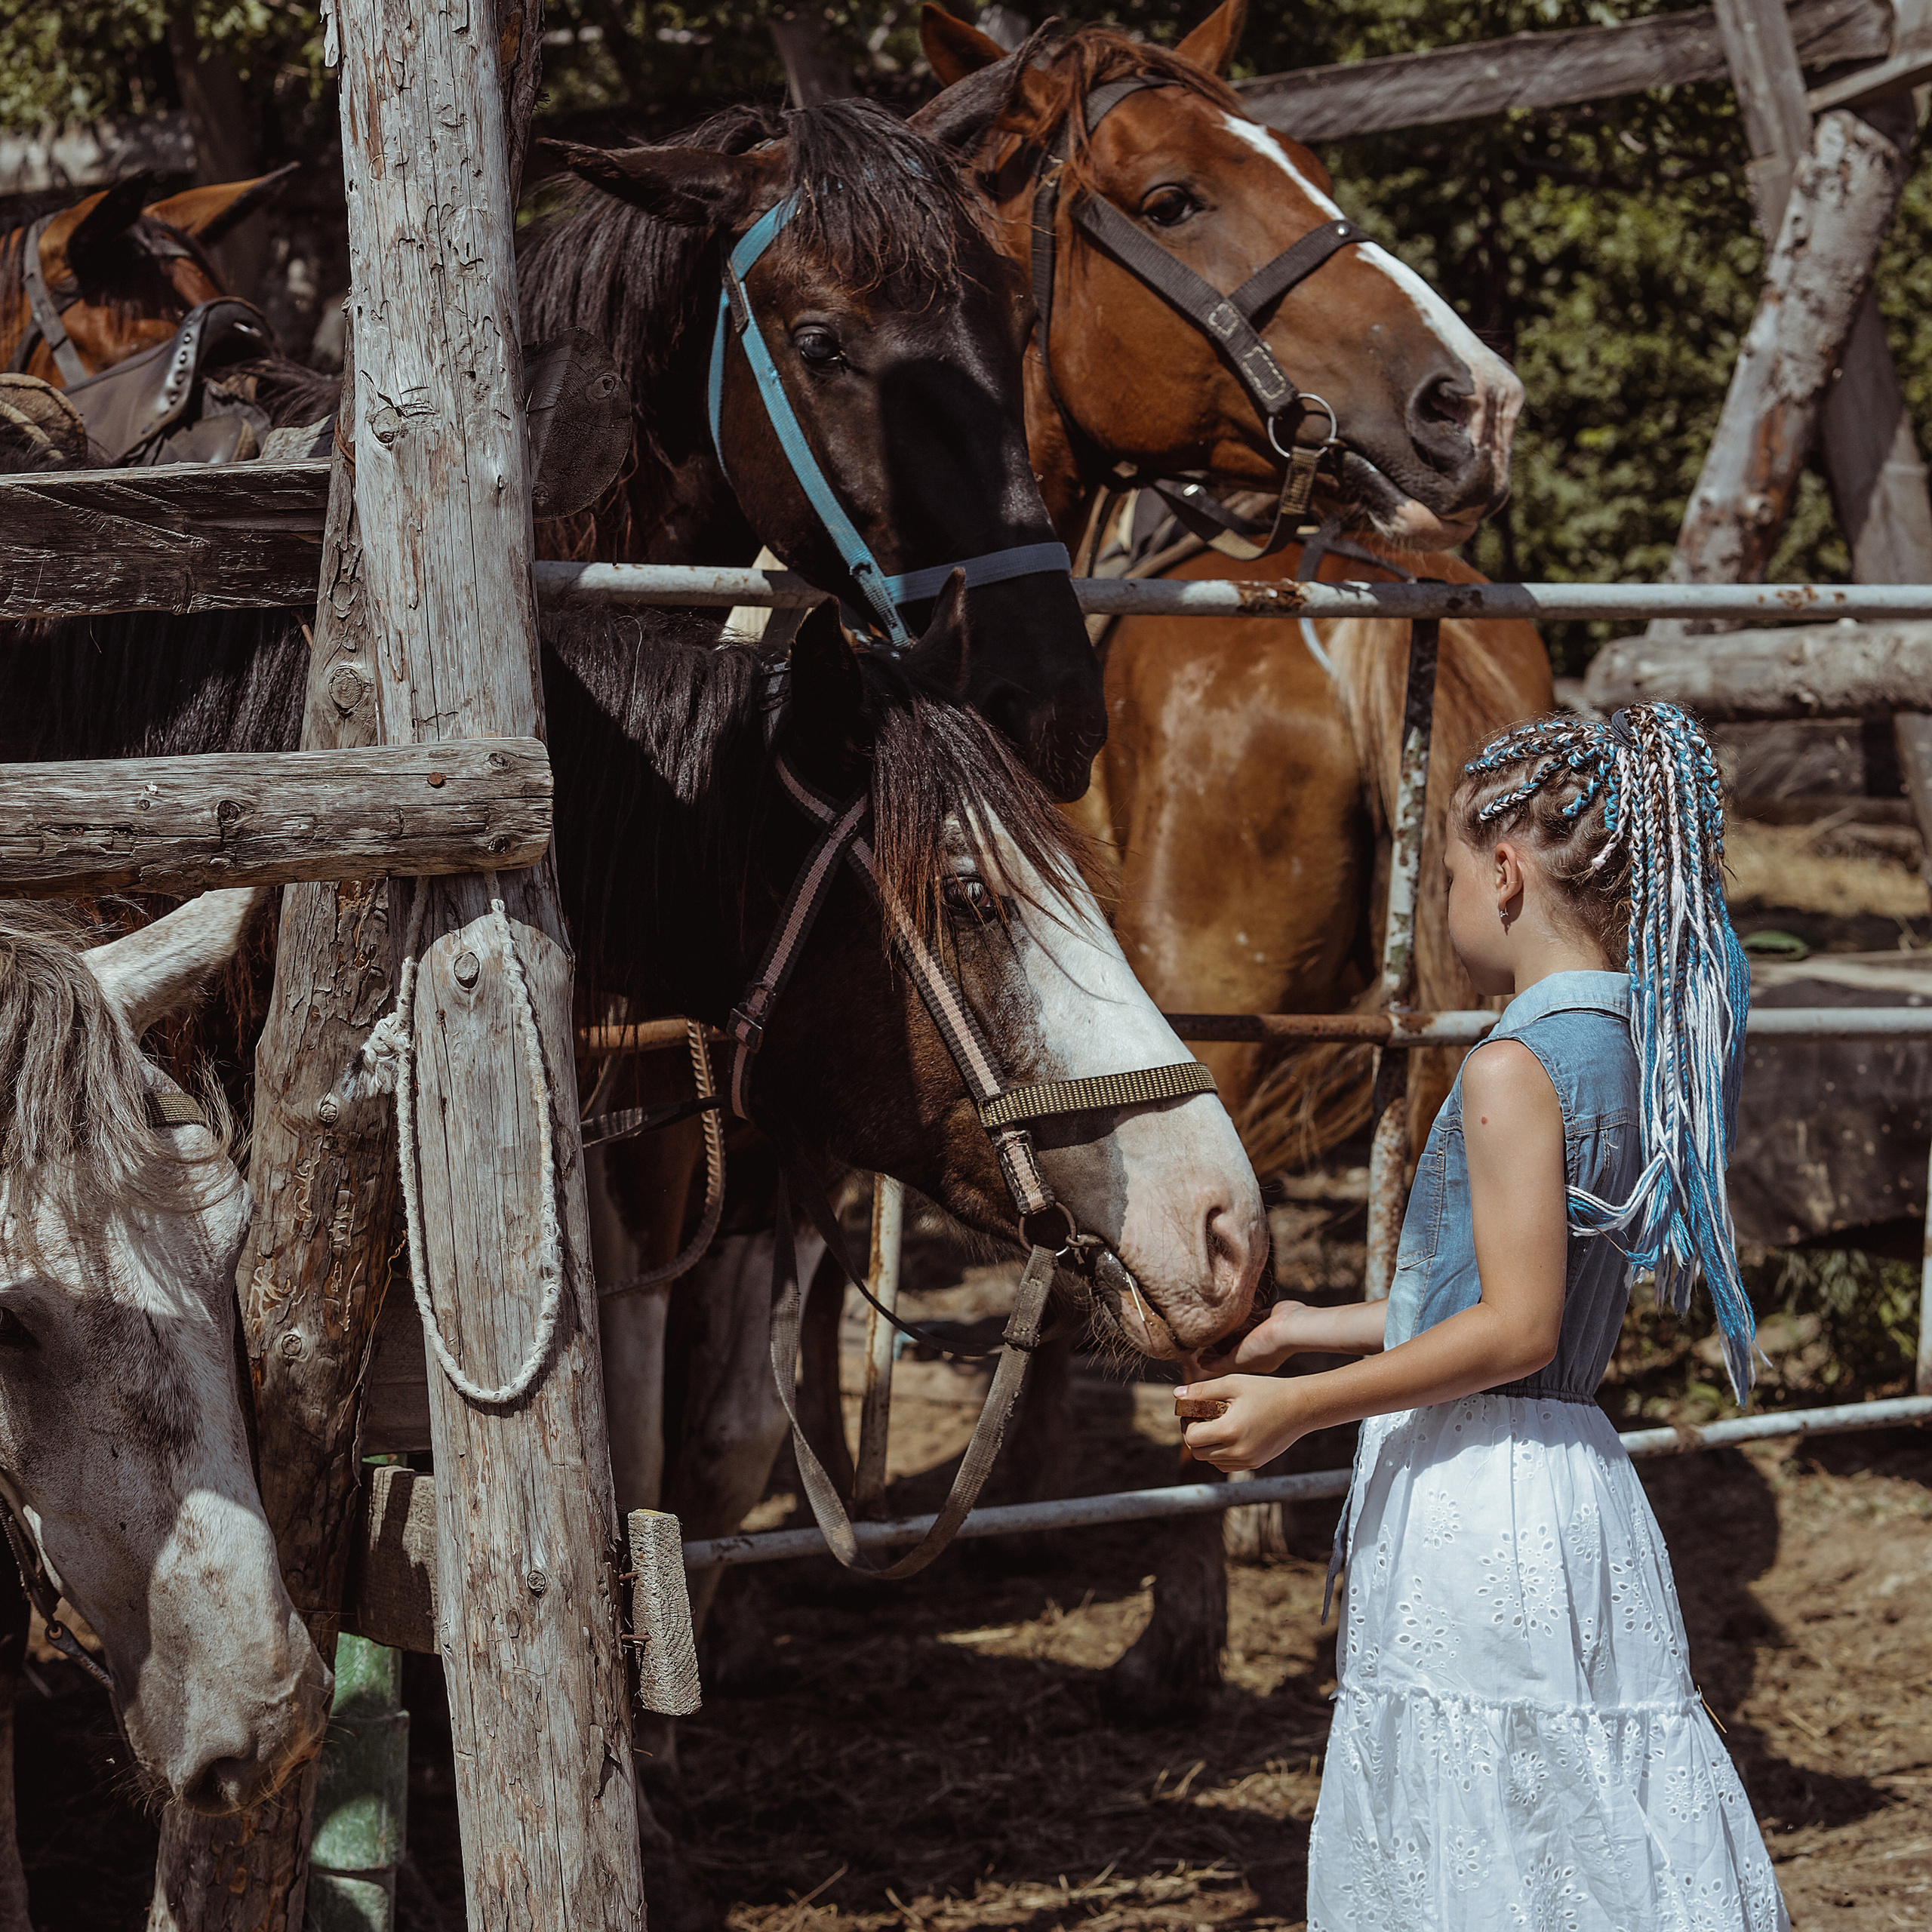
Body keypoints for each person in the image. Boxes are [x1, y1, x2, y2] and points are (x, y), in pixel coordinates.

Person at [1177, 703, 1788, 1930]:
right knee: (1567, 1806)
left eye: (1448, 873)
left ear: (1504, 876)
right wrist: (1305, 1321)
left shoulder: (1512, 1066)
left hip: (1480, 1487)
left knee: (1478, 1824)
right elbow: (1503, 1296)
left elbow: (1513, 1327)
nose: (1443, 900)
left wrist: (1299, 1407)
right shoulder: (1628, 1041)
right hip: (1566, 1474)